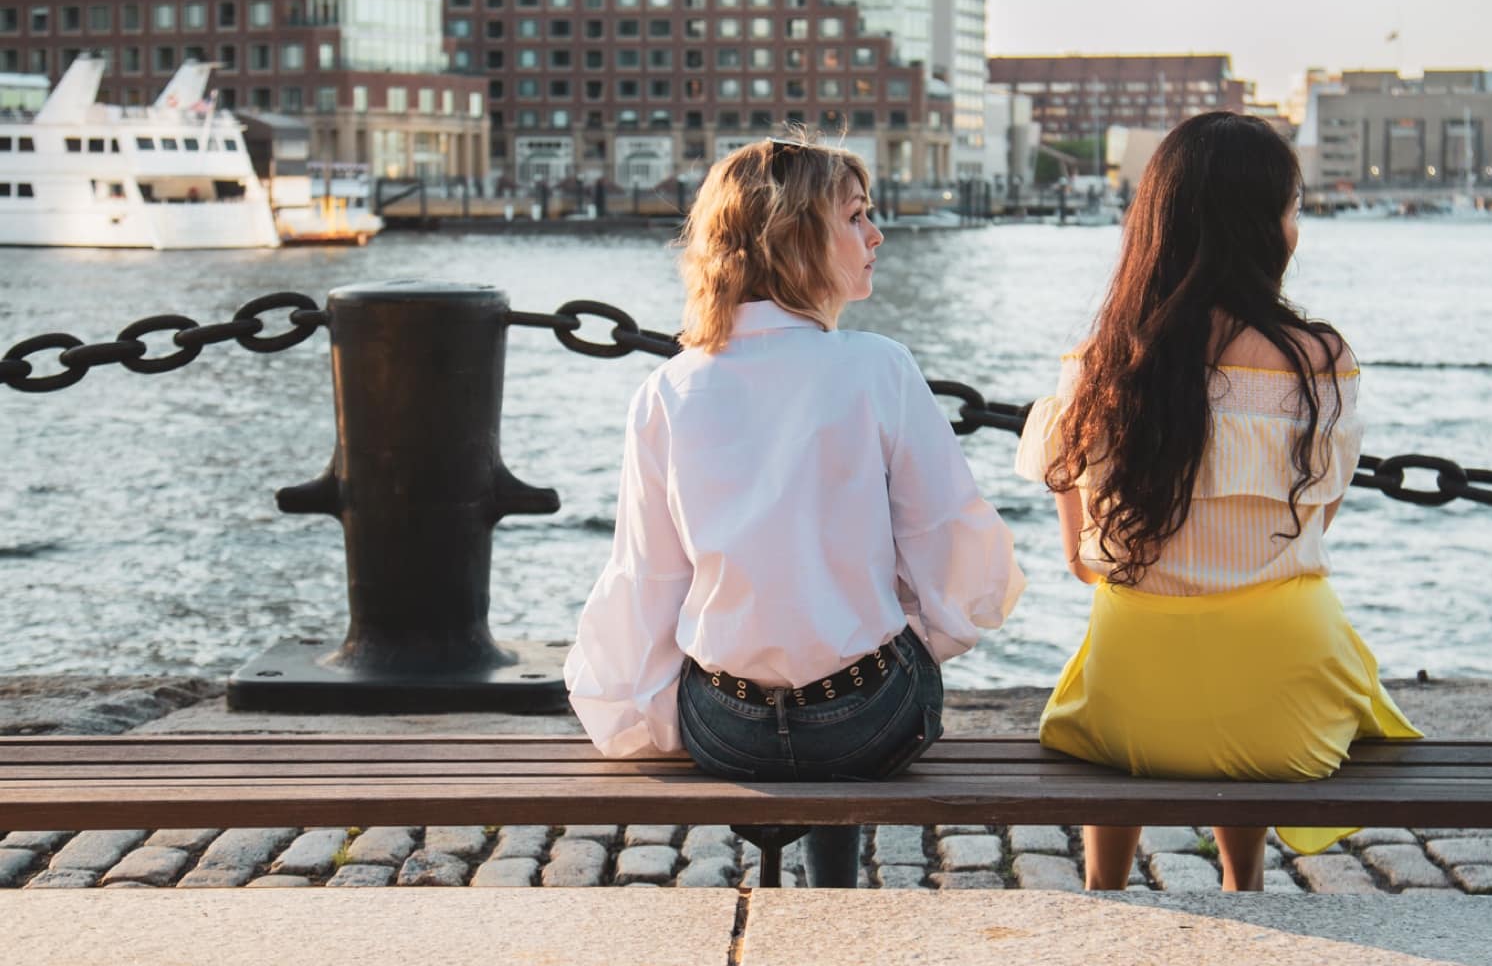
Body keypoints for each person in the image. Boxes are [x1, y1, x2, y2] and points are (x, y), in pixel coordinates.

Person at [566, 136, 1025, 887]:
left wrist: (645, 715)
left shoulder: (670, 390)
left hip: (727, 727)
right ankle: (832, 894)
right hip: (866, 720)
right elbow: (951, 544)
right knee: (873, 648)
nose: (876, 235)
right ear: (794, 236)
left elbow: (647, 577)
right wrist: (912, 636)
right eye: (855, 217)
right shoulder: (877, 367)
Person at [1014, 111, 1421, 892]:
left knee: (1127, 655)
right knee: (1272, 633)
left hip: (1132, 701)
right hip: (1282, 711)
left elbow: (1084, 565)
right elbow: (1310, 526)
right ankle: (1245, 881)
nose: (1296, 227)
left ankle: (1105, 883)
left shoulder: (1100, 368)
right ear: (1262, 228)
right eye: (1292, 209)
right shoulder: (1320, 360)